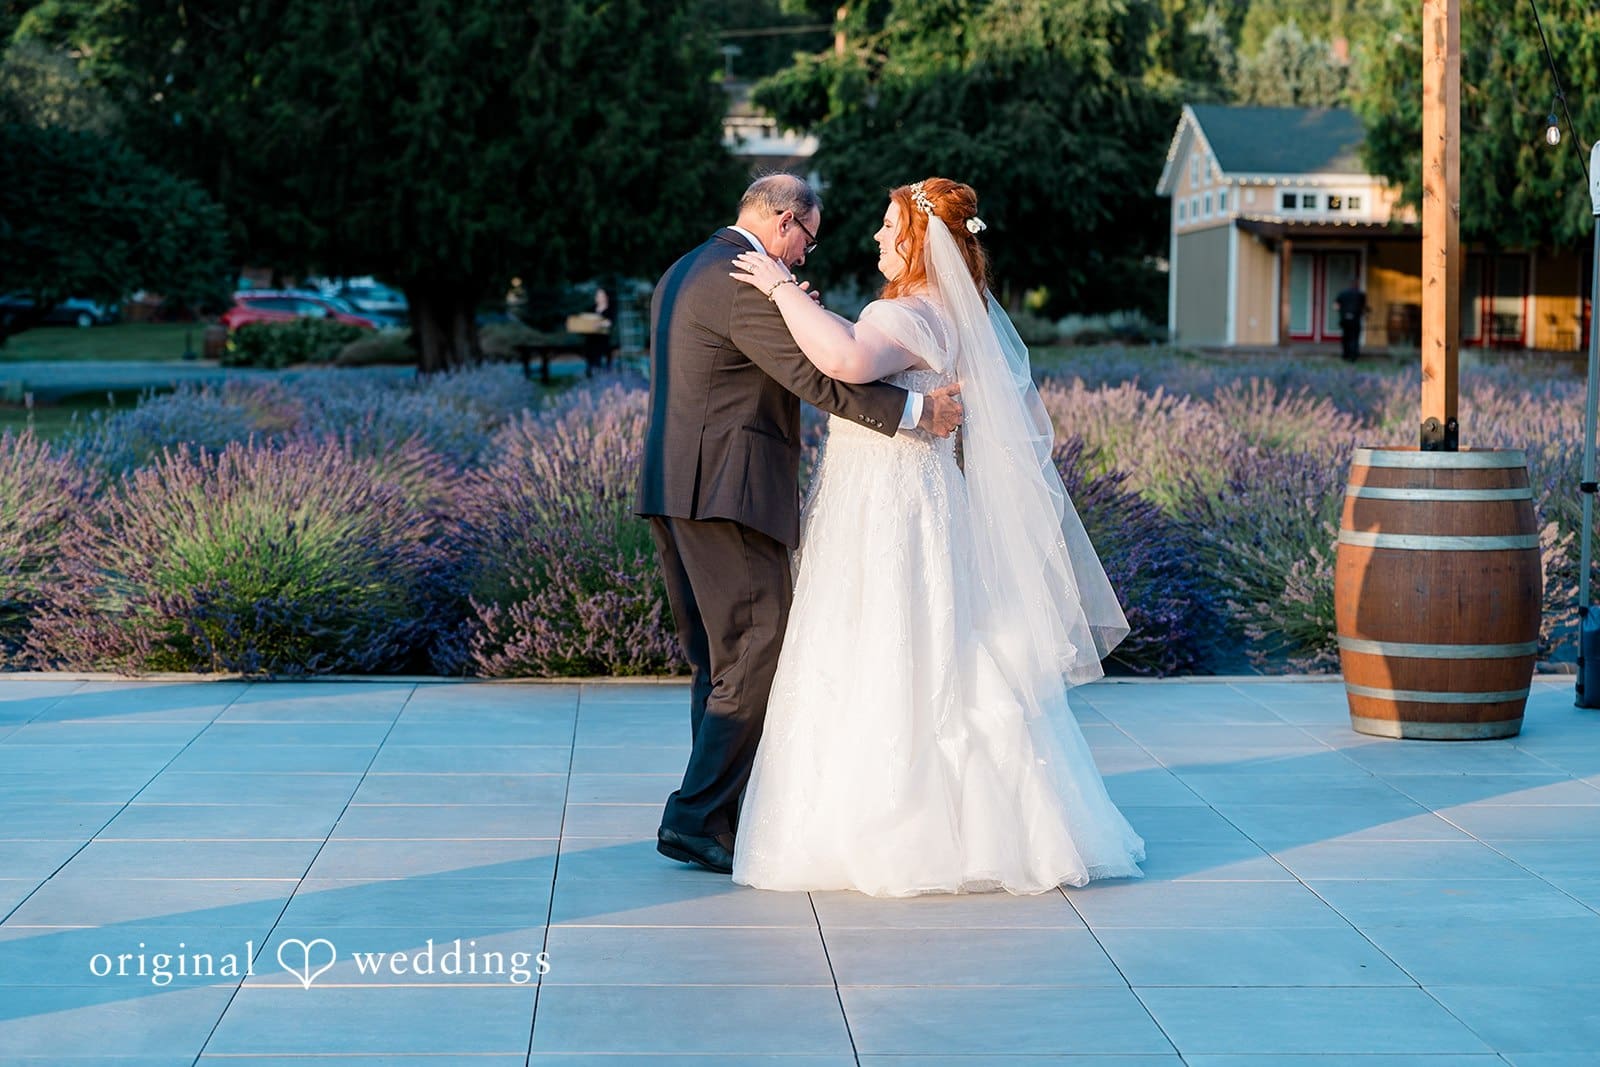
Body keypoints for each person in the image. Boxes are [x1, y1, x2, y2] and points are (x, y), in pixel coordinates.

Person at [726, 178, 1145, 895]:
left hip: (890, 504)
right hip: (919, 495)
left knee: (887, 638)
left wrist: (780, 287)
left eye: (890, 227)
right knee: (932, 638)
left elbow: (846, 362)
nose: (878, 237)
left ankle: (900, 828)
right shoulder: (946, 312)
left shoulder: (905, 312)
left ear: (919, 241)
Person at [635, 174, 964, 875]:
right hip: (728, 491)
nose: (804, 256)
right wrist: (915, 412)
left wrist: (798, 311)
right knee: (759, 646)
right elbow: (812, 376)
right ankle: (693, 817)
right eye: (807, 241)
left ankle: (718, 816)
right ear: (785, 221)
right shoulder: (743, 278)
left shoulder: (689, 267)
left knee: (721, 660)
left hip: (676, 485)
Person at [583, 287, 617, 373]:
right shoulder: (592, 308)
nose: (598, 298)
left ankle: (605, 370)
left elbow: (610, 322)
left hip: (604, 338)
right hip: (591, 338)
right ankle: (591, 369)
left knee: (602, 351)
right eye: (597, 296)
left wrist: (600, 324)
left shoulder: (610, 309)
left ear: (606, 297)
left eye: (601, 296)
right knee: (590, 349)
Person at [1335, 281, 1367, 362]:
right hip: (1355, 320)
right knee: (1354, 338)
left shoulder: (1342, 293)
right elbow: (1363, 307)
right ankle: (1353, 356)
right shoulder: (1360, 294)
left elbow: (1336, 306)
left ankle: (1345, 355)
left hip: (1345, 319)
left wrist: (1341, 312)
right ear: (1357, 286)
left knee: (1346, 337)